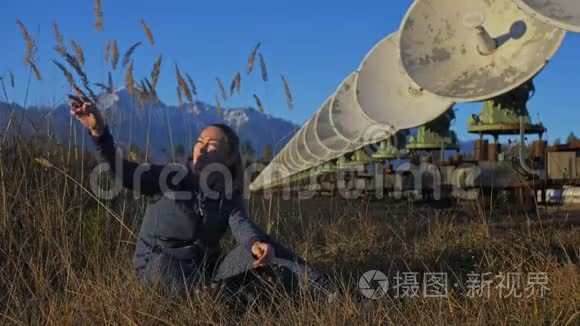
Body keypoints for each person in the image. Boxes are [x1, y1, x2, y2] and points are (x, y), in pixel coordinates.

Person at [68, 91, 331, 301]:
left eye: (211, 145)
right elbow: (122, 172)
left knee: (266, 246)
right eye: (198, 142)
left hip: (206, 274)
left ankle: (327, 292)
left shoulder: (228, 195)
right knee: (165, 266)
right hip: (159, 271)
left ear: (228, 157)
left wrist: (255, 244)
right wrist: (99, 132)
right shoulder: (170, 177)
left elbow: (241, 224)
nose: (201, 149)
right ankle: (223, 298)